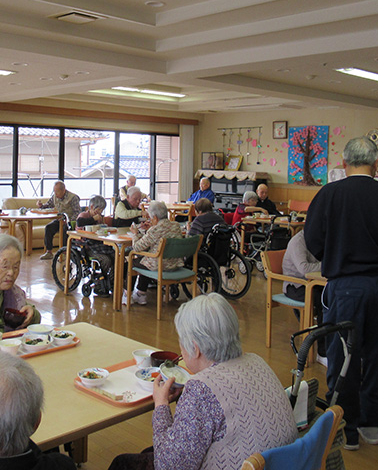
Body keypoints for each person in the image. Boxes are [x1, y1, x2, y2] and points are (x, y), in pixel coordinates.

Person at [108, 294, 297, 470]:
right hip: (285, 463)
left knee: (123, 463)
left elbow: (168, 465)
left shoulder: (202, 388)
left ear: (195, 349)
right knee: (148, 453)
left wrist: (161, 405)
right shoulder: (257, 361)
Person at [304, 137, 378, 450]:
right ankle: (372, 424)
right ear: (376, 166)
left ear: (343, 163)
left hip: (347, 285)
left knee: (344, 355)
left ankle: (345, 429)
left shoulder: (330, 194)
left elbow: (312, 240)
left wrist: (336, 255)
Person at [124, 201, 183, 307]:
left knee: (132, 262)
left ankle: (128, 295)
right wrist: (150, 229)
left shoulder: (155, 230)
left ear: (155, 218)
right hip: (174, 264)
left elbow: (137, 247)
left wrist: (135, 233)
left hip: (159, 266)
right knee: (145, 260)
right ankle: (141, 293)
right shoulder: (176, 226)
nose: (150, 220)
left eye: (151, 218)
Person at [281, 231, 325, 361]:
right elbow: (304, 269)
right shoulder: (298, 241)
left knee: (334, 296)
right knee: (324, 302)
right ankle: (322, 352)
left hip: (313, 283)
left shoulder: (319, 239)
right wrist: (327, 264)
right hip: (295, 285)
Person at [38, 182, 80, 260]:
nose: (55, 194)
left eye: (57, 192)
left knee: (65, 229)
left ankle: (64, 253)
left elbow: (77, 213)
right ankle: (49, 252)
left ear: (63, 190)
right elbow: (48, 205)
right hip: (60, 220)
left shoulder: (73, 198)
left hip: (71, 222)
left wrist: (69, 220)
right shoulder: (55, 197)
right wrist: (41, 206)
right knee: (49, 227)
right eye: (54, 191)